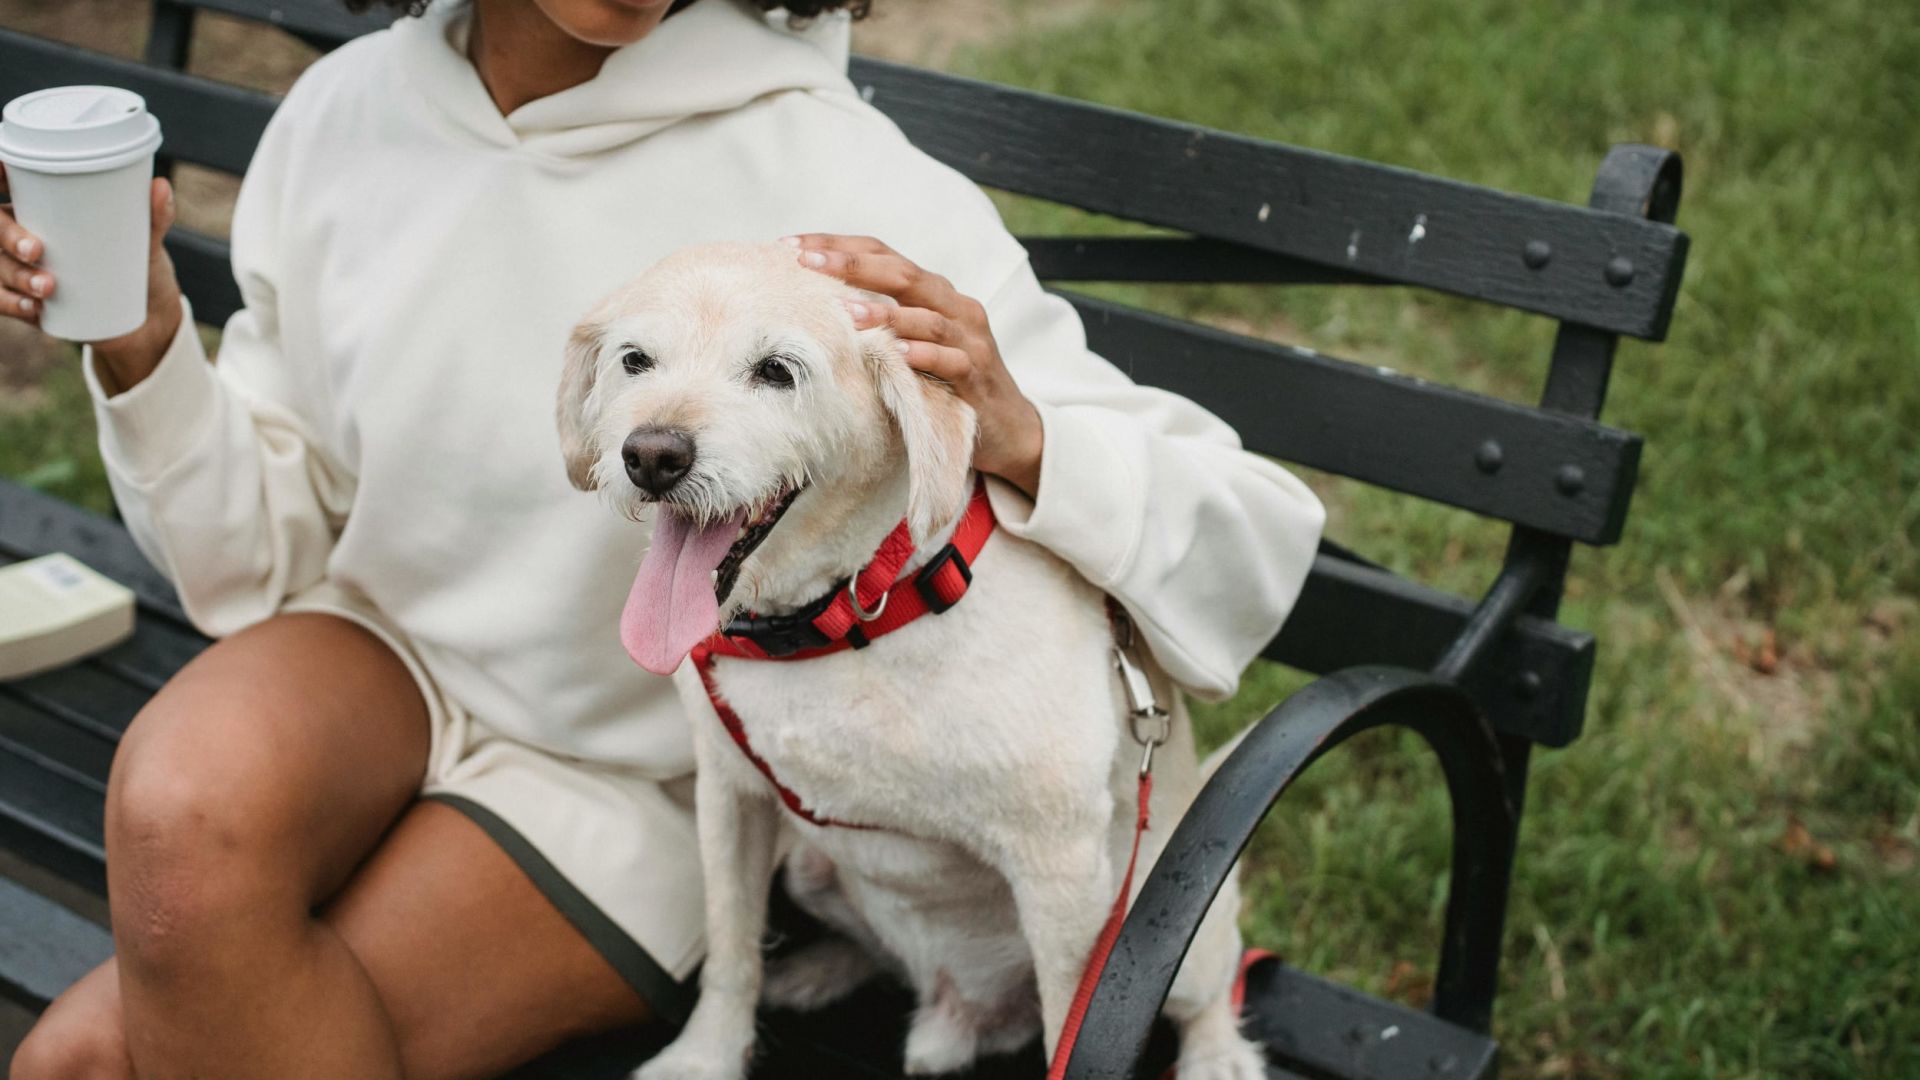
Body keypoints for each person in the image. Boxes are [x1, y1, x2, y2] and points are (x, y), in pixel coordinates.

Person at [2, 0, 1324, 1076]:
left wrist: (1023, 428)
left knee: (85, 1062)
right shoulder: (345, 116)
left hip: (647, 776)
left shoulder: (832, 170)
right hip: (379, 659)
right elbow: (265, 556)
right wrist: (142, 343)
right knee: (173, 810)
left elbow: (1250, 524)